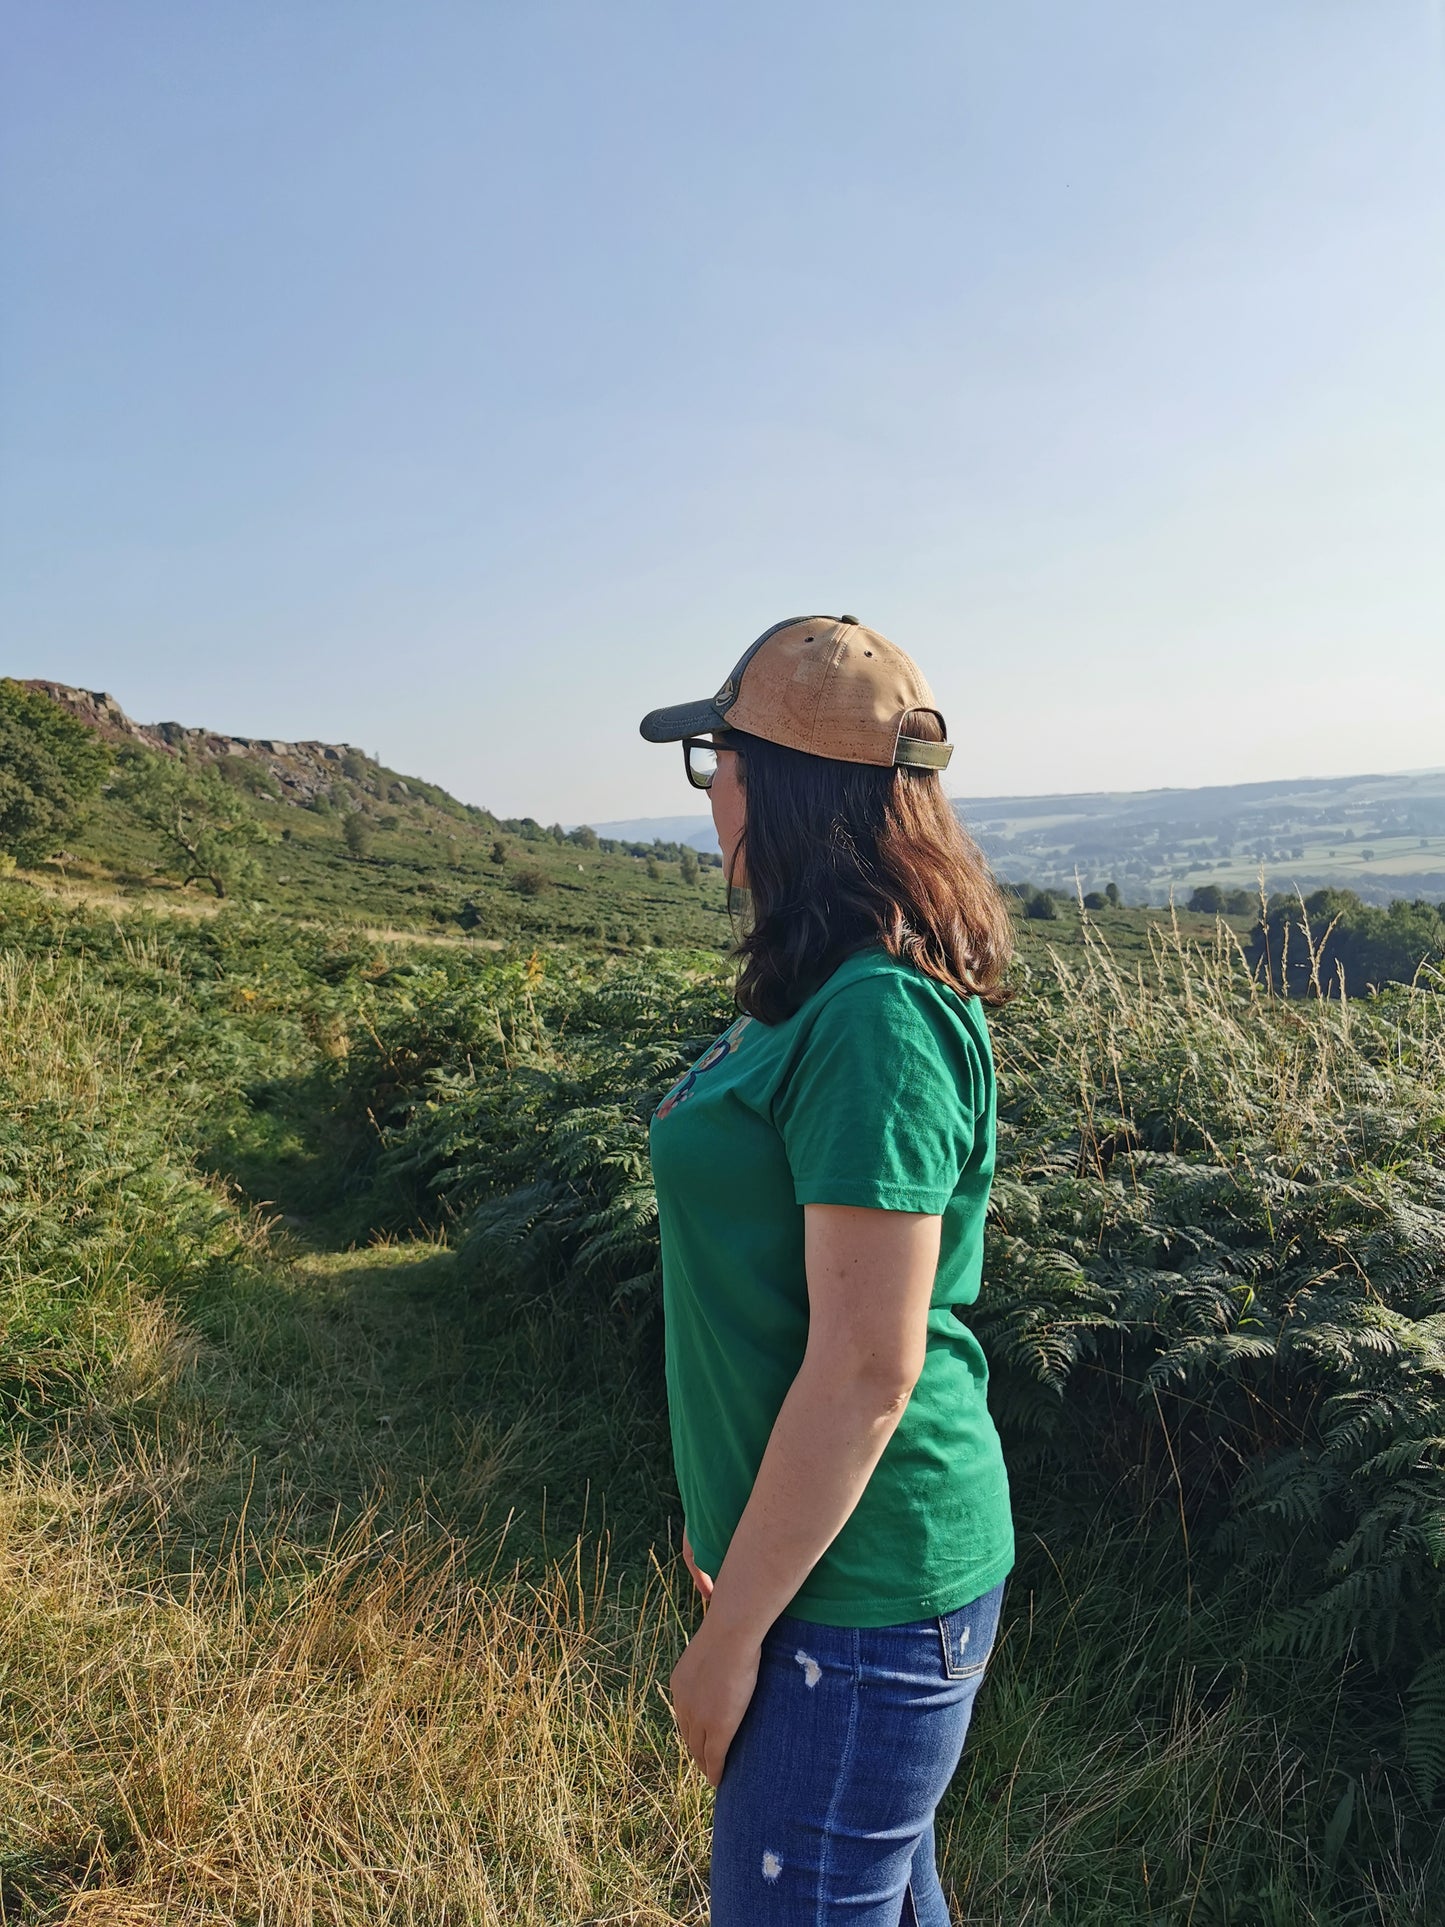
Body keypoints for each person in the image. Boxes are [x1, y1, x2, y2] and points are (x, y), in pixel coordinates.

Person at [637, 615, 1016, 1927]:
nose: (710, 795)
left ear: (780, 787)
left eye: (718, 761)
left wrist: (733, 1631)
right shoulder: (815, 989)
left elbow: (865, 1368)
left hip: (860, 1598)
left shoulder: (876, 1016)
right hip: (821, 1571)